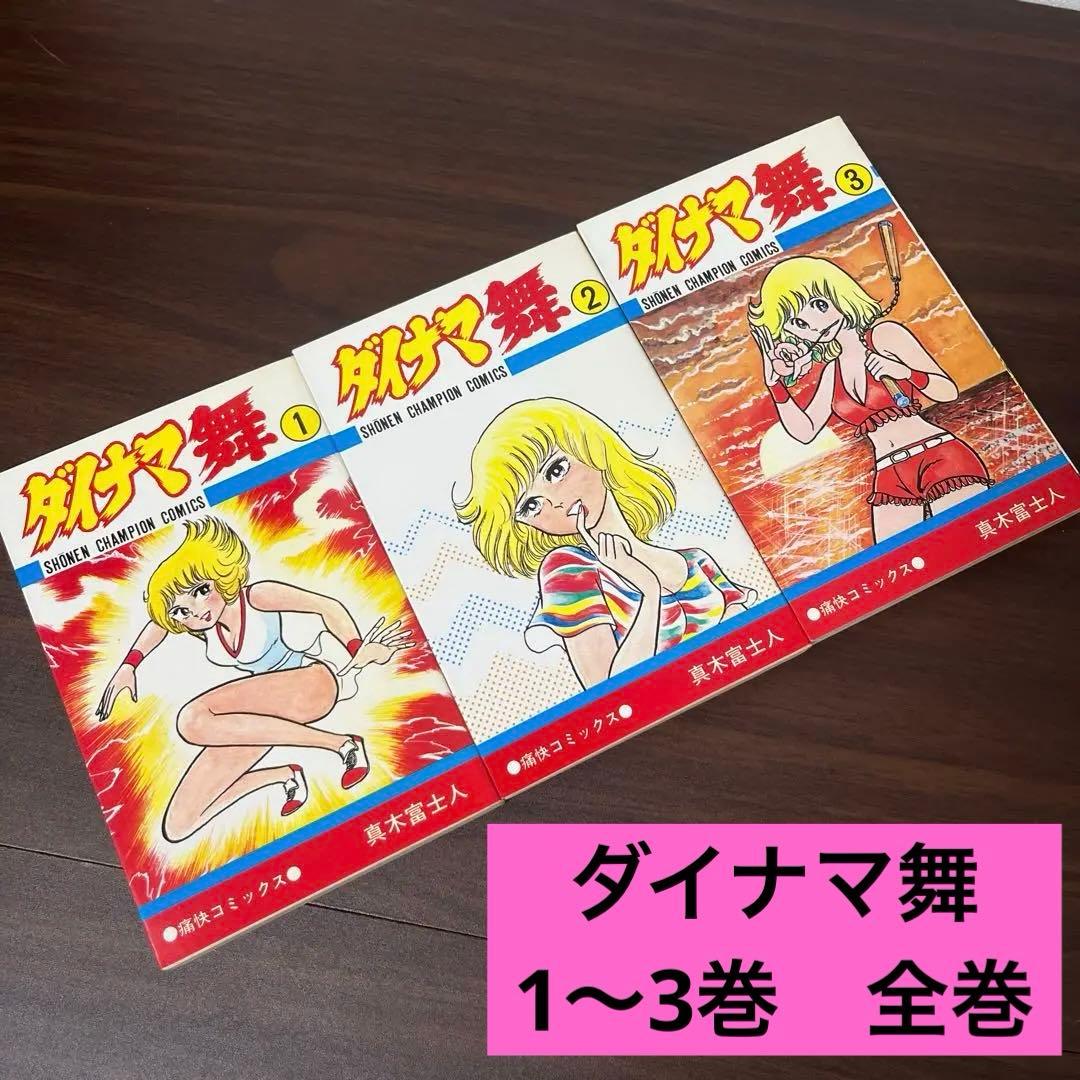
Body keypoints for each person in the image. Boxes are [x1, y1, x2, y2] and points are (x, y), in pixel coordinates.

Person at [96, 516, 413, 841]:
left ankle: (341, 744)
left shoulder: (256, 597)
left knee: (192, 720)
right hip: (264, 714)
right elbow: (159, 622)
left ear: (219, 573)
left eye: (201, 591)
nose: (196, 611)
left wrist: (357, 649)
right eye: (182, 611)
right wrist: (129, 665)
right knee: (179, 824)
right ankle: (285, 776)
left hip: (311, 683)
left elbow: (326, 607)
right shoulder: (206, 627)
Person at [454, 398, 754, 690]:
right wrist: (649, 593)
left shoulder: (696, 561)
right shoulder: (569, 571)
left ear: (591, 448)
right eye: (530, 506)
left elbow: (749, 644)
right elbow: (608, 691)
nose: (555, 503)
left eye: (556, 471)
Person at [749, 255, 991, 542]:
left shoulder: (885, 335)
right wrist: (775, 385)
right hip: (889, 473)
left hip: (940, 457)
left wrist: (906, 373)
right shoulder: (831, 371)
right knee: (899, 554)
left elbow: (947, 391)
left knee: (967, 539)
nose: (815, 325)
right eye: (800, 323)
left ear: (839, 291)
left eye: (819, 305)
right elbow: (804, 431)